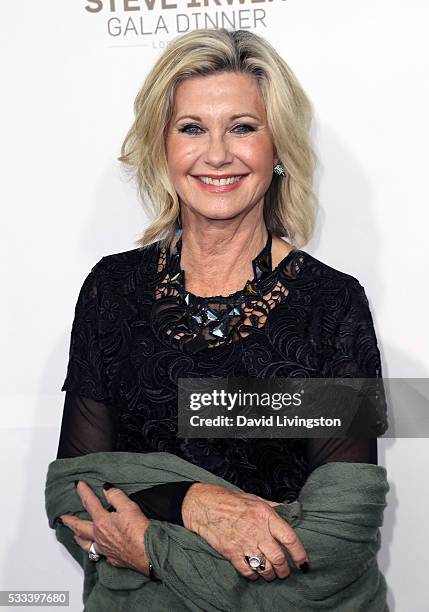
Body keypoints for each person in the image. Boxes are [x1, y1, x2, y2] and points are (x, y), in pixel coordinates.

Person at [56, 27, 384, 591]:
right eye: (191, 128)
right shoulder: (111, 291)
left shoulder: (332, 305)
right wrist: (193, 503)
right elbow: (71, 496)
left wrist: (152, 551)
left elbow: (339, 535)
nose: (216, 154)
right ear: (163, 147)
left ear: (277, 146)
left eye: (242, 127)